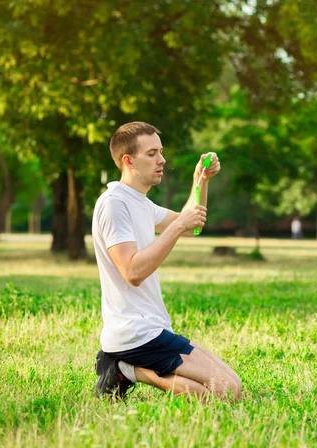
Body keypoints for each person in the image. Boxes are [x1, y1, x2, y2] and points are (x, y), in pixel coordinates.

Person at [92, 121, 241, 400]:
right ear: (128, 160)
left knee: (232, 380)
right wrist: (176, 227)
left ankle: (127, 366)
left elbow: (191, 226)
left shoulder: (140, 202)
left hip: (153, 328)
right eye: (151, 154)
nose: (161, 160)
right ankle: (125, 369)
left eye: (160, 152)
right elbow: (132, 271)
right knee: (227, 391)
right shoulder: (114, 203)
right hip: (134, 335)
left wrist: (201, 180)